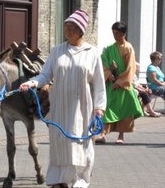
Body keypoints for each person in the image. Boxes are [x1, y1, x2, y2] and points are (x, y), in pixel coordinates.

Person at [19, 10, 107, 188]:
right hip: (59, 106)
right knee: (60, 142)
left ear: (81, 30)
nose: (68, 30)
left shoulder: (92, 52)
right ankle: (59, 180)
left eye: (72, 27)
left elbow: (99, 84)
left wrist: (99, 107)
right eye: (66, 27)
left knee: (78, 141)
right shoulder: (57, 50)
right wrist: (32, 83)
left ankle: (78, 180)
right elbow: (45, 75)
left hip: (81, 106)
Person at [95, 21, 143, 145]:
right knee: (108, 108)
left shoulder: (128, 47)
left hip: (123, 86)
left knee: (123, 110)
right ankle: (102, 134)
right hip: (111, 84)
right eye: (113, 33)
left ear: (123, 34)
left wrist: (121, 81)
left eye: (117, 33)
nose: (114, 35)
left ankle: (121, 135)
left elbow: (131, 67)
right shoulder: (110, 48)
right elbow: (103, 62)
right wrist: (108, 74)